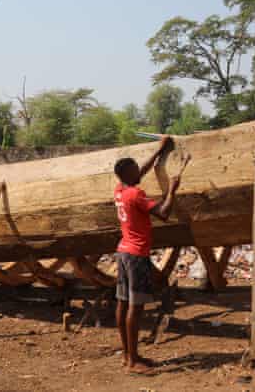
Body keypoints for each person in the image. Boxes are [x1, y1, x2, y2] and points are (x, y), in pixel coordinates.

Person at [113, 136, 185, 374]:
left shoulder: (120, 190)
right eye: (136, 170)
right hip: (136, 257)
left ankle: (127, 356)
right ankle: (134, 363)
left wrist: (158, 151)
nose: (140, 172)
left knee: (123, 304)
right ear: (129, 174)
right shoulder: (136, 195)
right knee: (136, 307)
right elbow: (163, 213)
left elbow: (139, 172)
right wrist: (172, 191)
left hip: (122, 253)